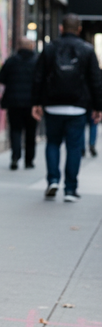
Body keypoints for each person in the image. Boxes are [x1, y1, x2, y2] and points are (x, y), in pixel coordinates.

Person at [32, 14, 102, 201]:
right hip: (78, 107)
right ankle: (70, 189)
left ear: (61, 28)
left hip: (53, 105)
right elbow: (95, 81)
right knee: (74, 147)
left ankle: (53, 180)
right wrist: (97, 107)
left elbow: (38, 77)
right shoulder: (87, 50)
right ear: (79, 29)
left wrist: (36, 102)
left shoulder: (49, 48)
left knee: (53, 143)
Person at [0, 37, 38, 170]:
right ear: (31, 46)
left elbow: (1, 78)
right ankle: (29, 160)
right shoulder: (37, 61)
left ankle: (15, 157)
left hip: (14, 102)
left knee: (15, 130)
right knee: (31, 132)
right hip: (32, 104)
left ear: (19, 46)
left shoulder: (11, 61)